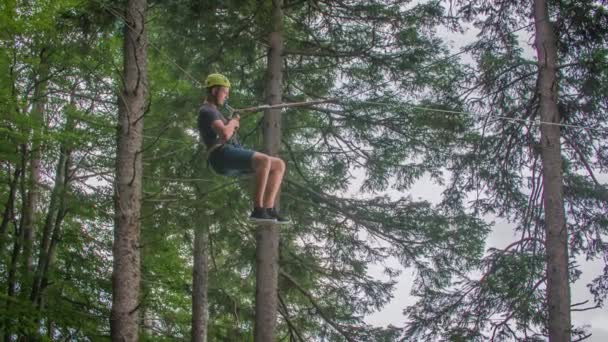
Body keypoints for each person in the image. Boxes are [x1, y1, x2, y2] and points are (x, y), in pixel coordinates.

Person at [198, 73, 289, 224]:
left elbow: (226, 132)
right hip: (220, 155)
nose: (226, 96)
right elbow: (225, 134)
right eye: (225, 92)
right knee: (264, 160)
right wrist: (233, 122)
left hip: (226, 156)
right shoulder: (207, 111)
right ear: (214, 91)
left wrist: (232, 121)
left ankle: (269, 209)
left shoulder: (215, 112)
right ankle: (258, 210)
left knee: (279, 164)